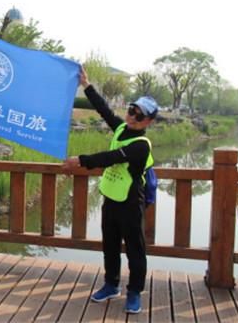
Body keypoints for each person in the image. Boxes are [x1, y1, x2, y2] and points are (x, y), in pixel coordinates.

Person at [62, 67, 158, 314]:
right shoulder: (120, 129)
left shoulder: (141, 146)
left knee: (135, 249)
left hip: (130, 201)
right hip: (111, 198)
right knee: (111, 244)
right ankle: (111, 285)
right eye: (131, 110)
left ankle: (135, 292)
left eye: (139, 115)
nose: (133, 116)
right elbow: (104, 110)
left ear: (148, 121)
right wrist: (87, 85)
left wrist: (80, 160)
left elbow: (112, 157)